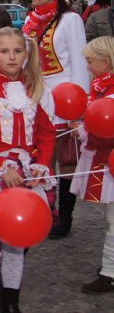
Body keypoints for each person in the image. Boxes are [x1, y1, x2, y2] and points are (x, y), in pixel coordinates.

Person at [0, 27, 56, 312]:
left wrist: (41, 165)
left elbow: (46, 132)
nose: (11, 57)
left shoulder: (37, 86)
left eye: (18, 51)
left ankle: (11, 302)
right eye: (4, 51)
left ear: (26, 53)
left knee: (16, 240)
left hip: (25, 173)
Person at [23, 0, 89, 239]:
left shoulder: (70, 20)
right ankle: (45, 212)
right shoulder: (31, 20)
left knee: (66, 158)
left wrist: (80, 107)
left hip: (64, 96)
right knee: (42, 156)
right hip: (37, 96)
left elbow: (80, 63)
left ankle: (66, 216)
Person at [71, 37, 114, 294]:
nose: (87, 66)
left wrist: (83, 129)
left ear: (106, 62)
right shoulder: (101, 88)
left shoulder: (109, 93)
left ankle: (110, 273)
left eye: (90, 61)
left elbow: (106, 131)